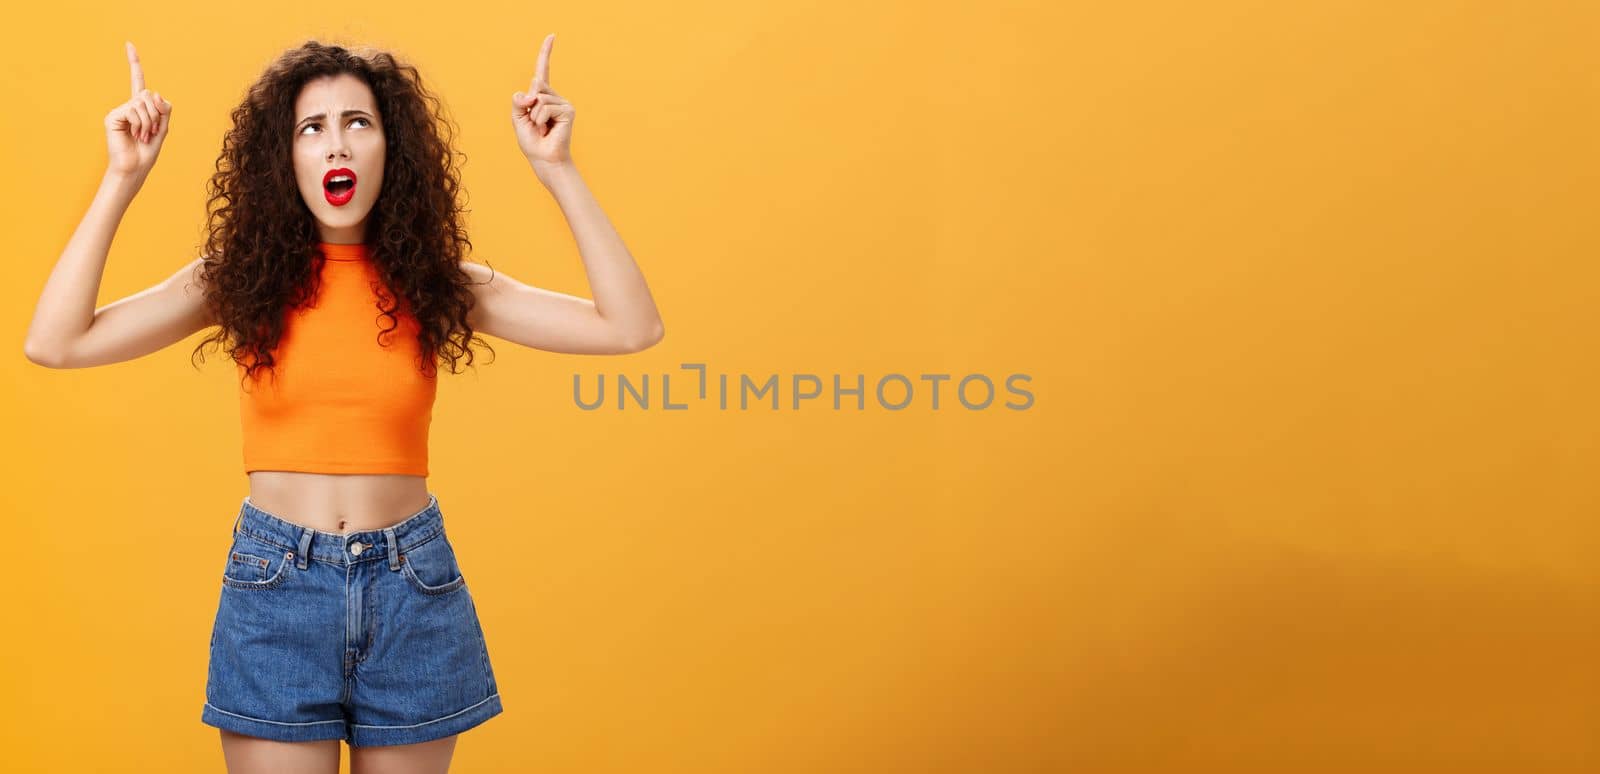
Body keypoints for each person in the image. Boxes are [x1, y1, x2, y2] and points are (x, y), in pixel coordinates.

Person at [23, 35, 662, 773]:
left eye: (358, 123)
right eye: (312, 128)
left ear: (392, 149)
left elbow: (631, 326)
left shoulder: (438, 283)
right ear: (284, 157)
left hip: (411, 589)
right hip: (275, 589)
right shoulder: (234, 281)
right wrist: (121, 180)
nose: (337, 145)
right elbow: (56, 341)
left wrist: (557, 170)